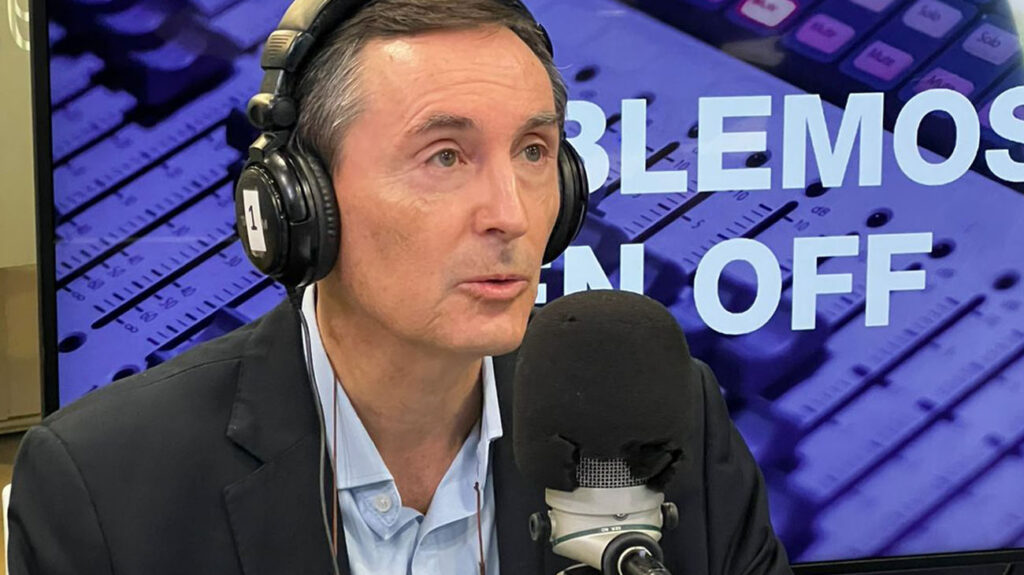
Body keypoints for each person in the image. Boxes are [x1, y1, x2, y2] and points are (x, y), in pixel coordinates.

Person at [7, 1, 793, 574]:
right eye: (445, 156)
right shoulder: (101, 484)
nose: (512, 214)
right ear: (300, 203)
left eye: (532, 150)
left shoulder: (664, 418)